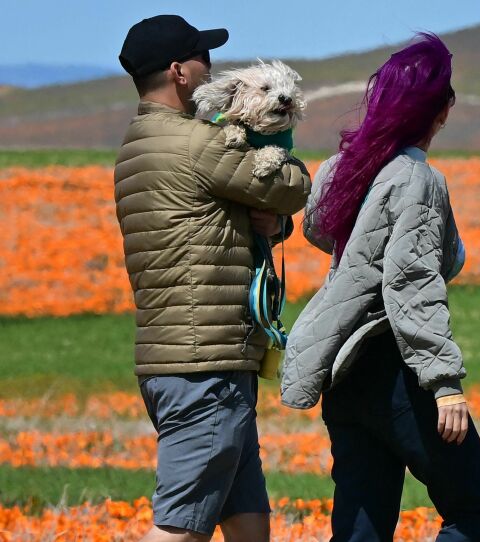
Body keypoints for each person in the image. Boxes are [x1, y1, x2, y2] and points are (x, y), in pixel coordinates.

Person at [280, 33, 480, 541]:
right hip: (394, 368)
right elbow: (413, 283)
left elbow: (319, 228)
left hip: (343, 370)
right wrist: (445, 385)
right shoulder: (417, 180)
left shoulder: (343, 166)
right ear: (442, 110)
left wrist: (361, 263)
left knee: (362, 526)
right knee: (475, 507)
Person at [113, 15, 311, 542]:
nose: (212, 68)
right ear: (180, 72)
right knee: (181, 525)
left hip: (178, 359)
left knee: (248, 521)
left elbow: (222, 213)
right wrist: (285, 199)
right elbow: (287, 186)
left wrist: (267, 223)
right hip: (206, 365)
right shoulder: (198, 143)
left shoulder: (138, 144)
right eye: (203, 57)